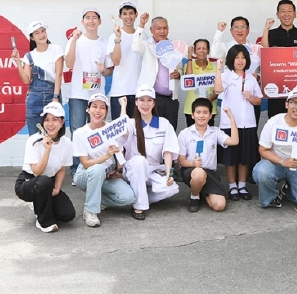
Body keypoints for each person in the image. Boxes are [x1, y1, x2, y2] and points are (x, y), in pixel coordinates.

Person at [70, 93, 137, 227]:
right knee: (97, 169)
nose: (98, 111)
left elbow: (124, 129)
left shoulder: (111, 128)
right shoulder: (80, 133)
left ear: (106, 111)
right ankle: (90, 211)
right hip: (85, 174)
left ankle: (96, 199)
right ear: (88, 109)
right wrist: (106, 156)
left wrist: (118, 170)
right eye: (94, 106)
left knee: (128, 197)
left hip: (107, 174)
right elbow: (86, 163)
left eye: (102, 107)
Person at [252, 88, 297, 210]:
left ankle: (288, 190)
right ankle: (272, 197)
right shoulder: (274, 122)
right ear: (286, 104)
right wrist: (282, 162)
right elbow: (263, 150)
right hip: (275, 163)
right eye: (293, 103)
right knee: (261, 171)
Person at [119, 88, 180, 218]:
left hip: (153, 169)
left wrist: (169, 174)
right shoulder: (130, 123)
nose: (145, 104)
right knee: (140, 160)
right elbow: (122, 130)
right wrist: (123, 106)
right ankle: (139, 207)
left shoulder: (164, 124)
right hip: (133, 169)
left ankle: (141, 197)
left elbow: (168, 152)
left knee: (172, 188)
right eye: (141, 100)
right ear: (136, 102)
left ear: (154, 103)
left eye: (149, 100)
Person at [15, 102, 76, 232]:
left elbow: (62, 169)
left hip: (49, 183)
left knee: (67, 214)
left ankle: (40, 204)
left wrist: (57, 189)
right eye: (47, 120)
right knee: (43, 181)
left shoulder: (67, 143)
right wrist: (47, 150)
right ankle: (44, 221)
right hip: (29, 182)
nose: (50, 124)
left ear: (62, 121)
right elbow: (37, 172)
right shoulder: (34, 140)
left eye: (55, 119)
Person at [177, 99, 241, 213]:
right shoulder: (184, 133)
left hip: (210, 173)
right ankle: (194, 197)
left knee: (219, 205)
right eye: (198, 112)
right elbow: (181, 161)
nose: (201, 116)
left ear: (210, 115)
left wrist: (231, 118)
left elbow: (234, 141)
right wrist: (192, 163)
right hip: (191, 171)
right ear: (192, 115)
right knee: (199, 173)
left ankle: (201, 192)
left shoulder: (215, 132)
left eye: (205, 112)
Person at [216, 44, 263, 201]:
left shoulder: (250, 78)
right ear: (232, 59)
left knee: (244, 157)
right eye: (237, 57)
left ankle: (242, 185)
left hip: (248, 123)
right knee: (231, 158)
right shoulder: (226, 76)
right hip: (229, 124)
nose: (240, 61)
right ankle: (232, 187)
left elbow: (258, 101)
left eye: (243, 57)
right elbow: (217, 90)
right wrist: (218, 69)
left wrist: (250, 97)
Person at [261, 0, 297, 118]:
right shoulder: (271, 33)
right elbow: (265, 52)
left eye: (289, 11)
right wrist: (266, 29)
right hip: (276, 87)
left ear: (295, 14)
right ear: (277, 14)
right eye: (283, 11)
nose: (286, 14)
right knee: (276, 120)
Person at [65, 7, 109, 137]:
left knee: (96, 134)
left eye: (94, 18)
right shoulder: (75, 40)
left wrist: (103, 70)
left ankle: (94, 159)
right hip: (78, 95)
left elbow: (109, 71)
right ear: (82, 21)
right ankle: (78, 159)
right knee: (77, 133)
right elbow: (69, 63)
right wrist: (74, 40)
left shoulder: (105, 43)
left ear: (100, 21)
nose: (91, 21)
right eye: (87, 18)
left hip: (97, 96)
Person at [14, 20, 64, 133]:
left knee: (54, 136)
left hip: (52, 96)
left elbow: (59, 75)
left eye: (43, 31)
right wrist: (18, 62)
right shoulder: (29, 56)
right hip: (34, 99)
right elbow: (26, 80)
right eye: (37, 33)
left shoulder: (56, 49)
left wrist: (55, 98)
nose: (41, 35)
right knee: (34, 137)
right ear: (32, 37)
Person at [135, 16, 182, 129]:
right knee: (151, 130)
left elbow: (180, 68)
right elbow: (136, 47)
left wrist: (179, 74)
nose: (162, 31)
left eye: (165, 28)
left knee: (170, 130)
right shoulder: (147, 45)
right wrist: (141, 25)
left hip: (171, 99)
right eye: (158, 28)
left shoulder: (174, 47)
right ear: (151, 30)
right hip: (152, 98)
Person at [105, 1, 144, 118]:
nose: (128, 17)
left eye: (131, 13)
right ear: (120, 16)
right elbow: (116, 61)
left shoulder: (143, 35)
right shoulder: (113, 36)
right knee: (120, 132)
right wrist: (118, 38)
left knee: (137, 131)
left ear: (136, 15)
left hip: (139, 92)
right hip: (120, 91)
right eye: (125, 13)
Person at [180, 39, 219, 121]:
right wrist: (189, 57)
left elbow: (218, 90)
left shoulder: (215, 68)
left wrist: (207, 101)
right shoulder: (188, 65)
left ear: (208, 51)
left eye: (204, 48)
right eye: (198, 48)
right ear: (194, 51)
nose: (201, 51)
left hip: (209, 109)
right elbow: (188, 81)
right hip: (191, 109)